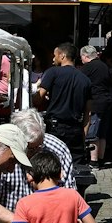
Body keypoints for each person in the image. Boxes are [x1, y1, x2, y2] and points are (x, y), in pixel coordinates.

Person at [36, 43, 92, 186]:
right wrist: (84, 134)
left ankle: (53, 192)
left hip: (55, 127)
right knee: (75, 166)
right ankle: (74, 192)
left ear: (63, 56)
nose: (53, 59)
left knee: (51, 163)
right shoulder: (85, 80)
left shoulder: (53, 72)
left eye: (55, 55)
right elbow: (88, 111)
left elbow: (39, 97)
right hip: (75, 128)